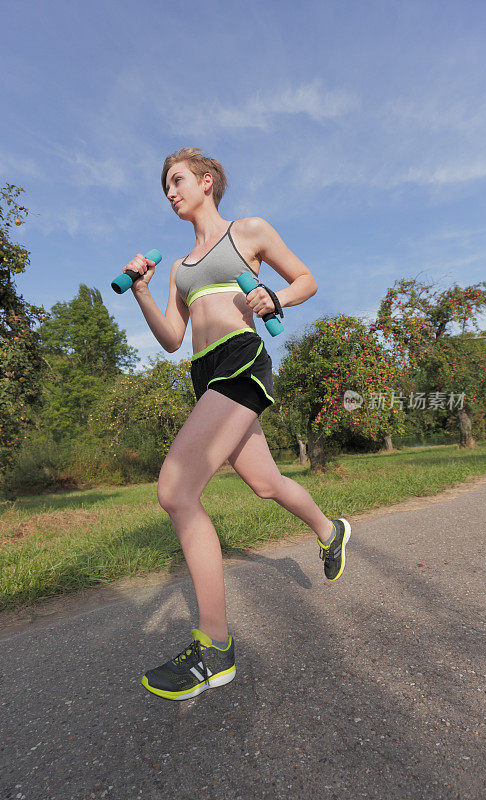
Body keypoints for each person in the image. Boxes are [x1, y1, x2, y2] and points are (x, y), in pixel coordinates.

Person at [122, 147, 351, 701]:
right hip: (205, 374)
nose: (170, 192)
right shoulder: (178, 267)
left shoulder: (247, 231)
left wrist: (276, 295)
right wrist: (144, 292)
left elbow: (306, 280)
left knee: (176, 491)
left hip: (243, 360)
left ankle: (214, 648)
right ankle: (331, 530)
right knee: (265, 483)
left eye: (176, 181)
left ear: (206, 182)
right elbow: (172, 339)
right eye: (165, 187)